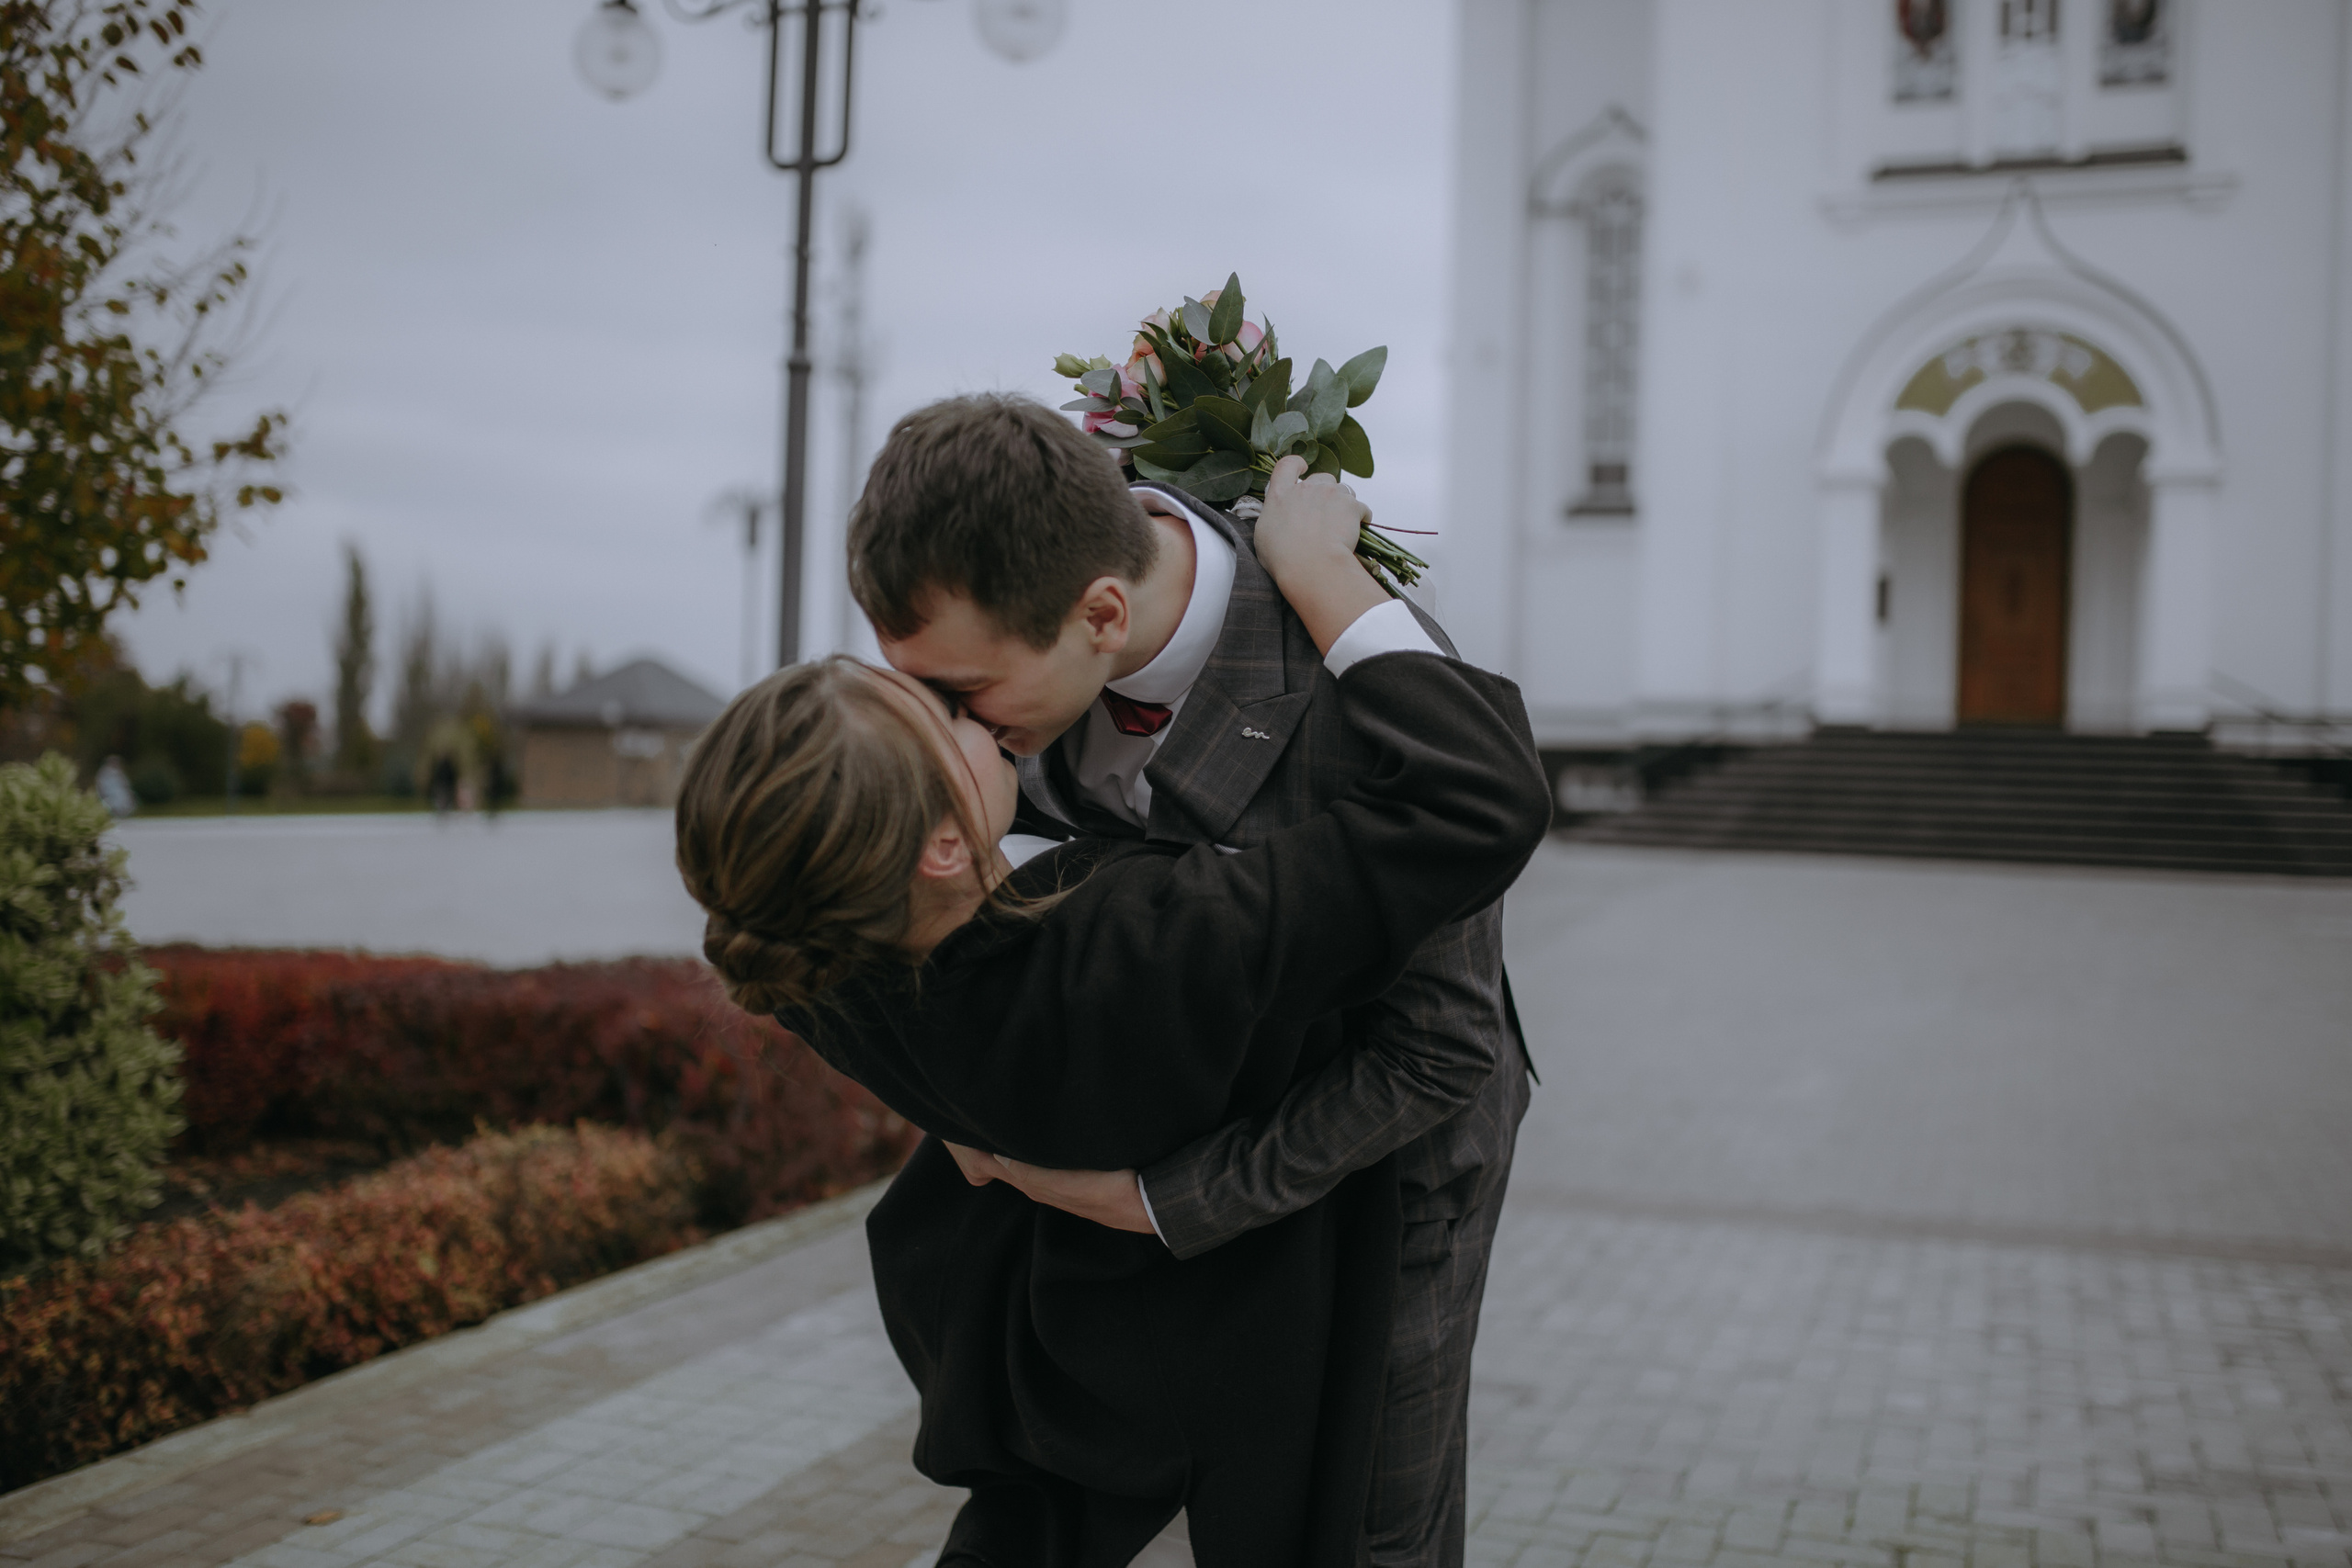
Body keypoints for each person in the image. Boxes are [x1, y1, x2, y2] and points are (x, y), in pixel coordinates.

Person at [674, 463, 1548, 1567]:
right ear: (939, 846)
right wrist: (1330, 579)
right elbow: (1475, 802)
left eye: (958, 689)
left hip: (1072, 1320)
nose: (966, 714)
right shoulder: (1154, 938)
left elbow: (1444, 1047)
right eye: (935, 709)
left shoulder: (822, 966)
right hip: (1234, 1298)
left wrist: (991, 1141)